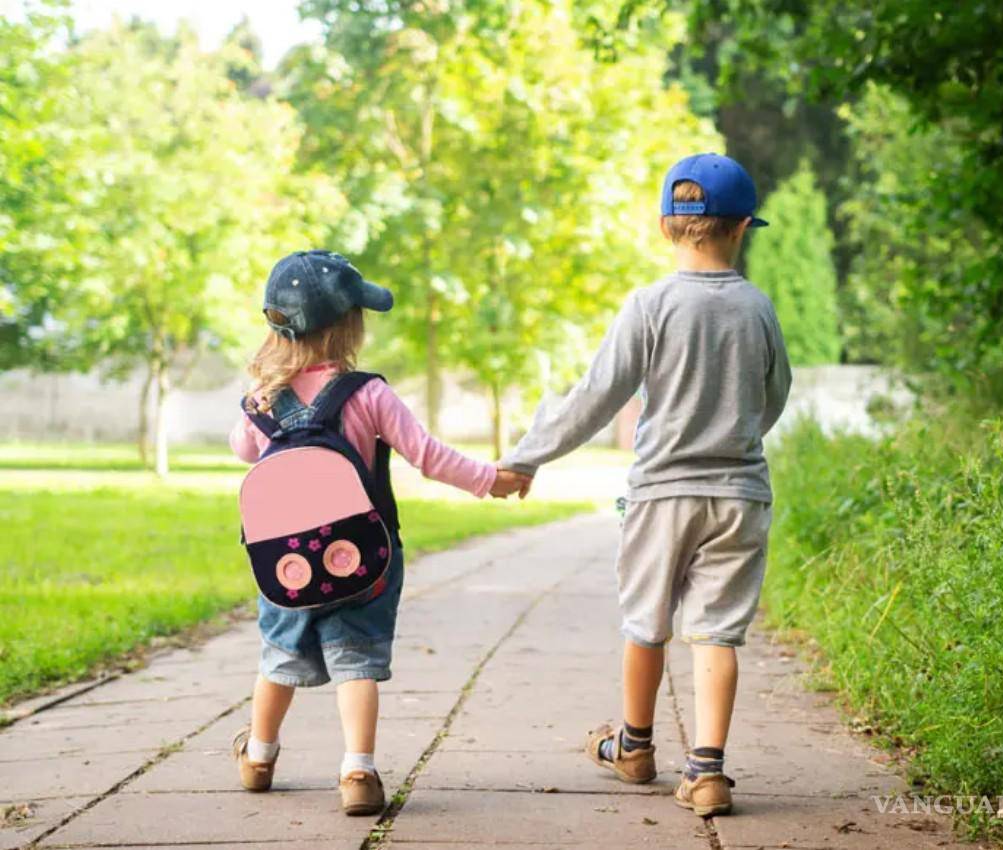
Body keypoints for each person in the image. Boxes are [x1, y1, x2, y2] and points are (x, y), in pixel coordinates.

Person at [500, 154, 792, 816]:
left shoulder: (650, 305)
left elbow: (597, 395)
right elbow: (774, 395)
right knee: (716, 632)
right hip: (739, 494)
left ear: (667, 225)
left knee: (645, 622)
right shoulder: (757, 307)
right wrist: (739, 433)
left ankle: (633, 748)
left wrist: (527, 457)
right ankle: (708, 770)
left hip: (662, 493)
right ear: (743, 226)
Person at [228, 250, 530, 816]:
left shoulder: (261, 400)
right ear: (349, 326)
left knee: (277, 659)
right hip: (361, 559)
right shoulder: (369, 395)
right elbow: (428, 456)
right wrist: (491, 479)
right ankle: (358, 772)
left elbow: (244, 452)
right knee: (357, 664)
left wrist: (258, 402)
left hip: (286, 564)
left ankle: (260, 756)